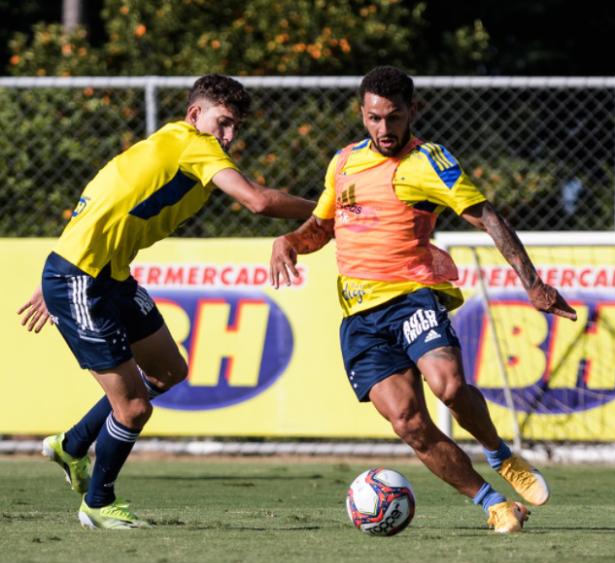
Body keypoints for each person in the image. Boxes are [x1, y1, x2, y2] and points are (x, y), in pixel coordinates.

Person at [268, 66, 577, 534]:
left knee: (449, 387)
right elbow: (324, 227)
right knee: (409, 425)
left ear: (413, 111)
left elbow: (487, 217)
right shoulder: (343, 162)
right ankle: (495, 505)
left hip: (412, 296)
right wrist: (289, 240)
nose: (384, 129)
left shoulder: (428, 160)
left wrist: (531, 281)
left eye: (393, 117)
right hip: (360, 318)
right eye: (374, 118)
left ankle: (501, 455)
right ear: (362, 114)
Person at [17, 74, 316, 529]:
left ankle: (73, 444)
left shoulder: (167, 146)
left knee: (169, 372)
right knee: (134, 407)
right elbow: (257, 201)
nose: (229, 136)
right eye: (224, 122)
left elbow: (105, 196)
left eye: (235, 127)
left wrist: (62, 261)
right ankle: (97, 504)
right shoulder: (194, 144)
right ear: (195, 115)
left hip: (107, 276)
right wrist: (327, 212)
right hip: (83, 279)